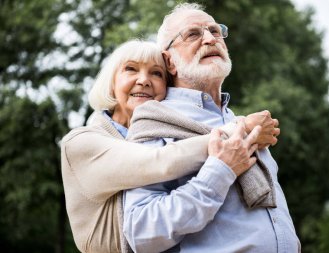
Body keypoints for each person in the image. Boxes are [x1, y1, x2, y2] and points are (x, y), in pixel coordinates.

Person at [61, 39, 274, 253]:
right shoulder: (81, 143)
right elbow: (158, 161)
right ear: (111, 83)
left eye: (157, 73)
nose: (144, 80)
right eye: (131, 69)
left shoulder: (168, 134)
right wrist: (239, 130)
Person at [122, 3, 301, 253]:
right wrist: (220, 170)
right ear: (169, 61)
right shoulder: (155, 122)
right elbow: (141, 232)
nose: (209, 39)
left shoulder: (242, 123)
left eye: (215, 31)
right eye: (193, 34)